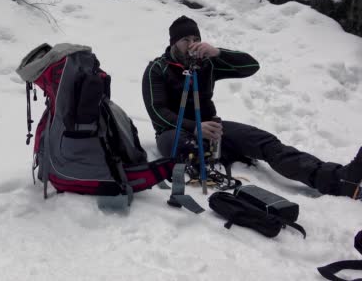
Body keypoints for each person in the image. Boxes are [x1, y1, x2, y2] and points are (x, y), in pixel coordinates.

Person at [141, 15, 362, 198]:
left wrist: (218, 53)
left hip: (213, 128)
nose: (191, 44)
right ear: (173, 43)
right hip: (174, 132)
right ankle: (207, 160)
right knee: (183, 145)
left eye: (195, 38)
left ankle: (337, 178)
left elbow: (251, 66)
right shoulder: (157, 70)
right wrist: (194, 126)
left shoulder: (206, 63)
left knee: (265, 142)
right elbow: (157, 112)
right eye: (185, 40)